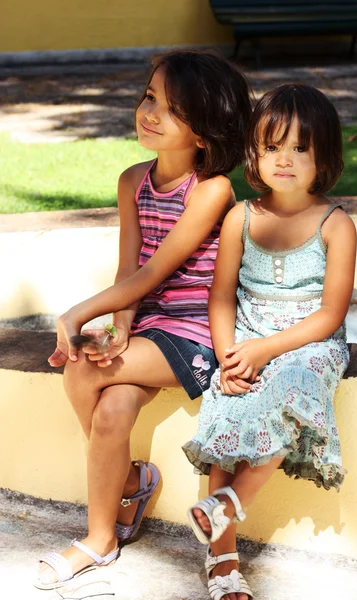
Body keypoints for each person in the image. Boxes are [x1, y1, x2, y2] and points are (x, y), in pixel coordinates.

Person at [35, 49, 252, 590]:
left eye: (171, 109)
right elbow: (130, 267)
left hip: (196, 335)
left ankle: (116, 508)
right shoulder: (133, 179)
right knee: (109, 410)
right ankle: (108, 526)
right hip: (149, 323)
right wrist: (122, 321)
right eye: (149, 96)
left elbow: (158, 268)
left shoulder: (212, 189)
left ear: (203, 133)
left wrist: (82, 312)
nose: (149, 112)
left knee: (84, 367)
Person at [182, 83, 357, 600]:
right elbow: (221, 297)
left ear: (323, 155)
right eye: (272, 146)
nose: (285, 159)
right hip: (244, 339)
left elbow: (330, 315)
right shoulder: (242, 217)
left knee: (291, 390)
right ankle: (222, 561)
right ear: (253, 154)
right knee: (228, 416)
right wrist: (227, 355)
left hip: (308, 345)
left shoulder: (335, 224)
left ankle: (226, 506)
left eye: (300, 148)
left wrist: (265, 351)